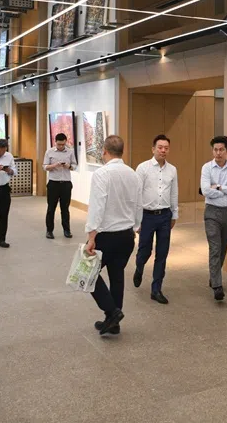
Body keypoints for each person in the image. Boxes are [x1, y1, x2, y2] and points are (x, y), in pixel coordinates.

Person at [85, 136, 142, 335]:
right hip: (126, 236)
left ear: (104, 151)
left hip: (106, 236)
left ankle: (112, 311)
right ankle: (113, 322)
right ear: (122, 152)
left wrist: (91, 235)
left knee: (87, 273)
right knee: (117, 276)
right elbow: (138, 204)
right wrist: (136, 226)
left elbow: (97, 206)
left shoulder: (102, 174)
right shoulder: (133, 174)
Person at [133, 134, 179, 305]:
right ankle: (139, 267)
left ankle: (156, 289)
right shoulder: (143, 168)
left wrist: (175, 214)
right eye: (160, 147)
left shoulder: (172, 170)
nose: (163, 150)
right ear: (153, 149)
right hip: (147, 216)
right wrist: (136, 220)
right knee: (145, 250)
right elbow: (136, 194)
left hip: (165, 216)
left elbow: (174, 193)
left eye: (166, 148)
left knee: (162, 253)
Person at [200, 135, 227, 301]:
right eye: (215, 150)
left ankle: (213, 275)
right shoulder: (207, 168)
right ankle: (217, 285)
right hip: (211, 212)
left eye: (221, 150)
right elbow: (205, 190)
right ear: (213, 150)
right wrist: (226, 188)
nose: (218, 153)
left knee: (223, 247)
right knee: (215, 247)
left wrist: (217, 186)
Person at [43, 132, 77, 239]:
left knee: (65, 208)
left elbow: (74, 166)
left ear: (65, 142)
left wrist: (68, 166)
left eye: (63, 144)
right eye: (59, 144)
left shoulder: (70, 152)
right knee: (51, 208)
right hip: (53, 183)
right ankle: (49, 231)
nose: (61, 146)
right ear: (55, 142)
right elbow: (44, 166)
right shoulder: (49, 152)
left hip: (66, 183)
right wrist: (54, 165)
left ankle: (67, 230)